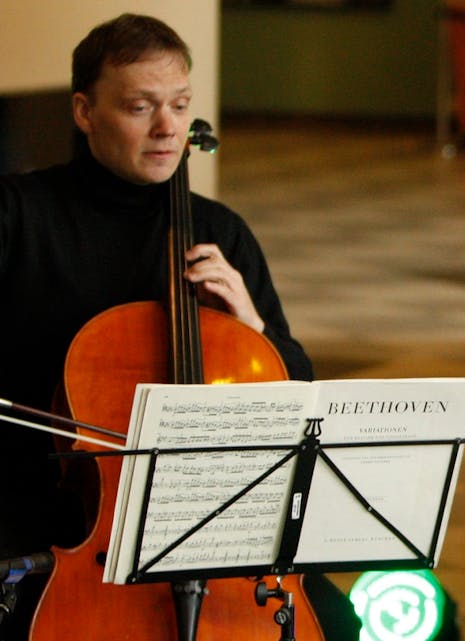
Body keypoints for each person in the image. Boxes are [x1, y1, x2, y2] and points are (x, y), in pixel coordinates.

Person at [0, 13, 320, 639]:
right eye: (140, 107)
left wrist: (251, 324)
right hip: (43, 504)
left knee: (335, 615)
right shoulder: (19, 215)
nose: (169, 128)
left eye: (179, 105)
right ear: (84, 112)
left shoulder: (219, 230)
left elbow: (298, 391)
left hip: (204, 510)